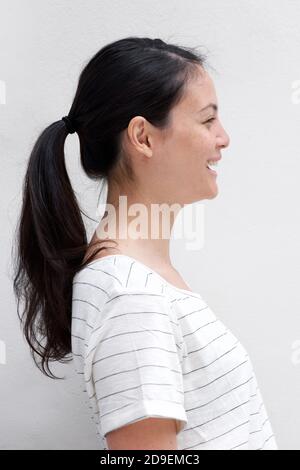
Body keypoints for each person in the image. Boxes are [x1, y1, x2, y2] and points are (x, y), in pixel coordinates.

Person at [12, 36, 278, 450]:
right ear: (143, 137)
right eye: (207, 120)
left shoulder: (140, 281)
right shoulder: (130, 294)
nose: (223, 138)